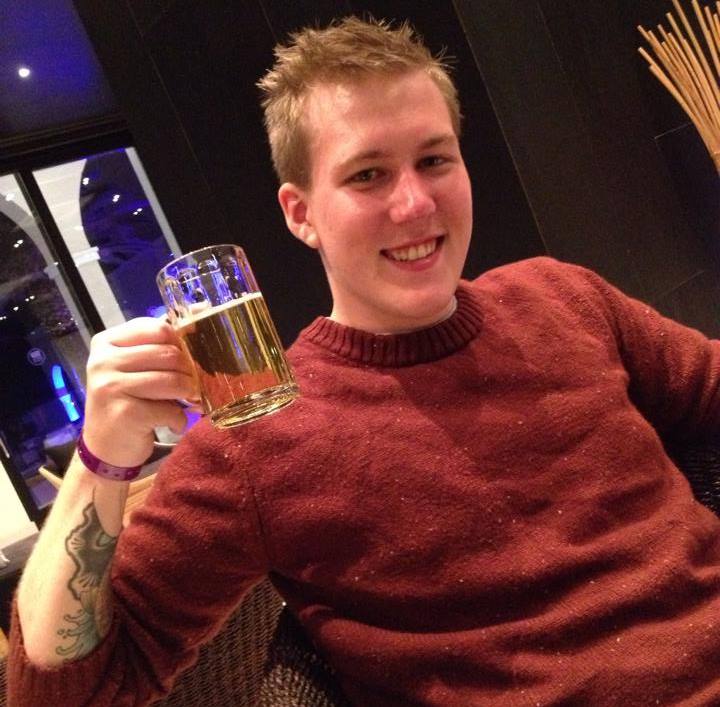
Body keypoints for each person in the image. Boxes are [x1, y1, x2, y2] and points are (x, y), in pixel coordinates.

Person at [7, 16, 720, 706]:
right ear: (301, 214)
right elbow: (63, 693)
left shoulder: (563, 297)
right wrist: (100, 460)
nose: (414, 203)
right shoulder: (260, 440)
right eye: (368, 174)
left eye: (434, 160)